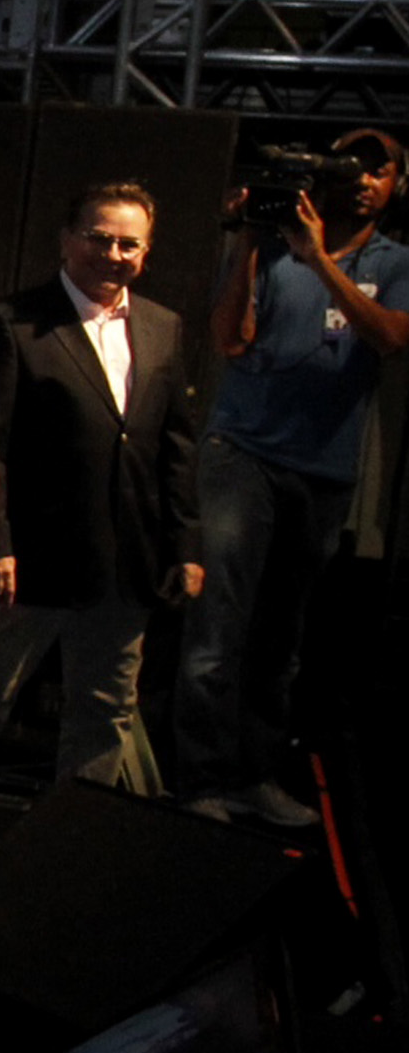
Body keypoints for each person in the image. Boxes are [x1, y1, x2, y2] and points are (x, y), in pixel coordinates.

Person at [0, 184, 201, 881]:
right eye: (100, 238)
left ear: (147, 252)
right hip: (32, 560)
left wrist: (185, 548)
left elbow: (176, 448)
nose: (113, 254)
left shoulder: (163, 327)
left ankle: (68, 853)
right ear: (68, 238)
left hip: (128, 563)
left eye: (129, 243)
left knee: (103, 715)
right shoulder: (14, 324)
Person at [174, 129, 406, 828]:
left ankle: (254, 774)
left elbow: (391, 339)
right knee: (219, 627)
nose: (362, 180)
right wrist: (250, 237)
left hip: (324, 469)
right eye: (350, 167)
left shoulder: (394, 260)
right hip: (243, 454)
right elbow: (228, 339)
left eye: (379, 170)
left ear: (396, 183)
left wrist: (322, 263)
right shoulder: (270, 245)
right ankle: (199, 779)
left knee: (281, 637)